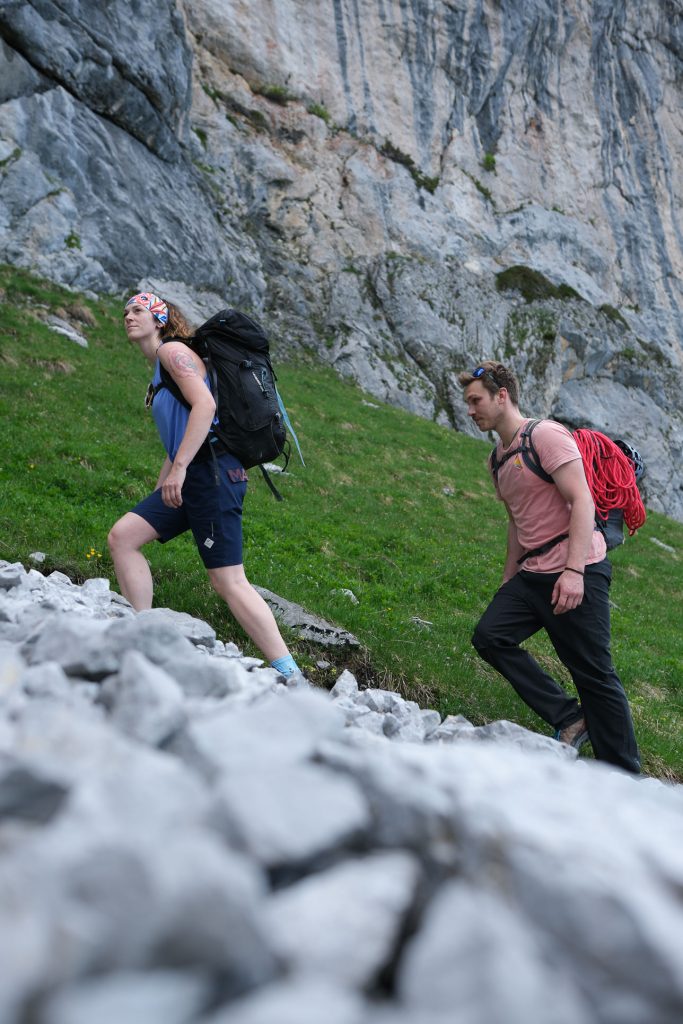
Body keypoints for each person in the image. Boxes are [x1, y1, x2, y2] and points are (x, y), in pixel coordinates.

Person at [458, 360, 640, 773]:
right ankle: (570, 718)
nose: (471, 410)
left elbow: (582, 502)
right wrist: (508, 580)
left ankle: (626, 777)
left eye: (476, 400)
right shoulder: (497, 459)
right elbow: (516, 522)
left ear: (501, 395)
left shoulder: (546, 435)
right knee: (490, 636)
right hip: (533, 573)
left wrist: (574, 572)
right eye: (468, 402)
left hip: (579, 568)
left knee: (593, 673)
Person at [108, 291, 301, 678]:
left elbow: (206, 407)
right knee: (123, 537)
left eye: (138, 310)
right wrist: (166, 480)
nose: (128, 316)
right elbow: (181, 430)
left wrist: (180, 468)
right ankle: (141, 630)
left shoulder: (171, 353)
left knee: (228, 580)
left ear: (159, 320)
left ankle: (290, 673)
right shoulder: (161, 369)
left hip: (210, 474)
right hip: (194, 474)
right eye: (125, 311)